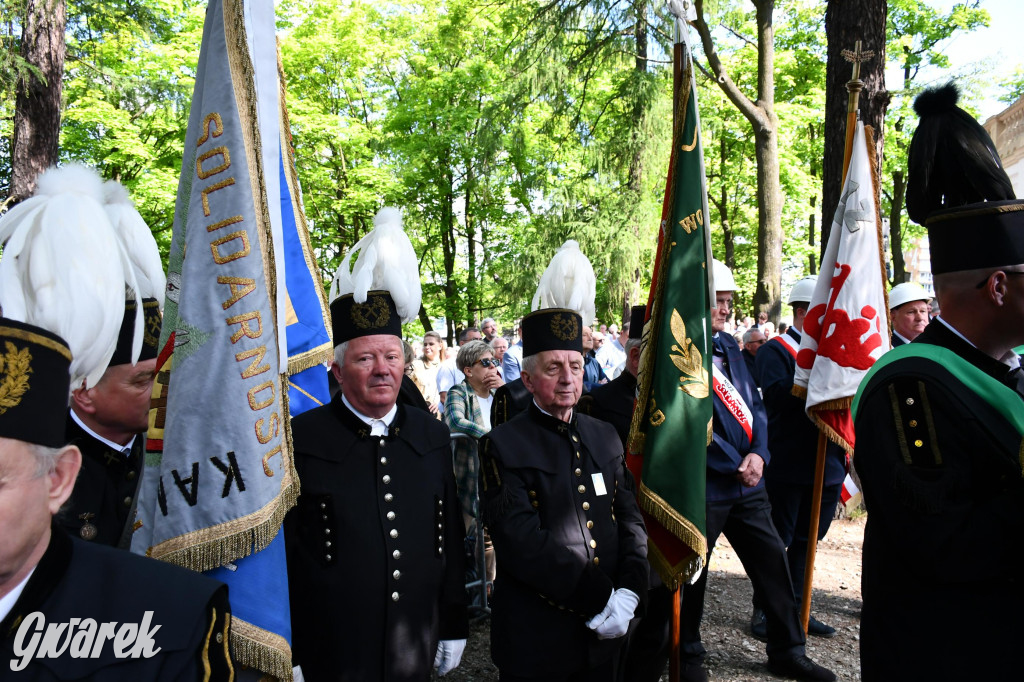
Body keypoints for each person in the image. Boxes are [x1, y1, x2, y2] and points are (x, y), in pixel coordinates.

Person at [0, 165, 232, 680]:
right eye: (142, 381)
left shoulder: (179, 452)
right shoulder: (39, 452)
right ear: (83, 393)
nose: (162, 392)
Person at [853, 83, 1024, 680]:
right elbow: (944, 544)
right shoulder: (910, 389)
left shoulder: (1009, 372)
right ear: (998, 287)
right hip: (948, 656)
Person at [285, 209, 467, 681]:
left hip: (413, 645)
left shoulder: (430, 433)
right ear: (337, 370)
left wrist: (453, 622)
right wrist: (292, 651)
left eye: (391, 356)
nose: (383, 369)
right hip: (333, 651)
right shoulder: (302, 440)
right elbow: (289, 556)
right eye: (365, 358)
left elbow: (448, 536)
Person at [679, 260, 835, 682]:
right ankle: (687, 655)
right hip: (707, 485)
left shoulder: (729, 346)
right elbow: (686, 423)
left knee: (773, 566)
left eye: (729, 301)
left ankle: (788, 650)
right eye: (718, 300)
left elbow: (756, 406)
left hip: (750, 483)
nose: (726, 309)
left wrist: (760, 454)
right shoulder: (678, 350)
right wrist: (735, 462)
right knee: (693, 575)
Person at [480, 307, 649, 681]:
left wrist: (631, 590)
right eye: (553, 368)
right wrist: (602, 597)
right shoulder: (502, 445)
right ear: (527, 379)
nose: (568, 378)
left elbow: (630, 518)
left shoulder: (604, 434)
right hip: (540, 636)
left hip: (608, 631)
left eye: (575, 365)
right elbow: (522, 542)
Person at [752, 276, 844, 640]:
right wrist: (817, 378)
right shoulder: (775, 351)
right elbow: (775, 397)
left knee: (809, 541)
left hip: (827, 463)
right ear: (804, 313)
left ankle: (798, 607)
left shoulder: (833, 354)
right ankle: (765, 608)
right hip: (789, 462)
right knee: (778, 540)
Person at [444, 339, 503, 584]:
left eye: (495, 361)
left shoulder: (500, 394)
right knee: (468, 534)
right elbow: (455, 421)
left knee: (493, 534)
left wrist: (505, 390)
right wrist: (492, 439)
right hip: (469, 477)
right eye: (486, 362)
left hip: (498, 476)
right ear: (468, 370)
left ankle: (489, 585)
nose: (493, 367)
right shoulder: (459, 392)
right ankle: (473, 587)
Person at [437, 327, 482, 405]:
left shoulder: (484, 364)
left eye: (480, 340)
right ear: (462, 344)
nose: (479, 343)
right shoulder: (448, 366)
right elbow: (445, 398)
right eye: (474, 340)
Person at [888, 281, 931, 346]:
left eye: (923, 311)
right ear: (892, 317)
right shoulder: (885, 348)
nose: (920, 318)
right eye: (911, 312)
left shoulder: (934, 346)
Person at [412, 330, 443, 413]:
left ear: (440, 346)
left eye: (431, 344)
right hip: (420, 411)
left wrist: (440, 403)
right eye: (425, 344)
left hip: (442, 414)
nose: (427, 347)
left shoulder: (447, 366)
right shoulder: (415, 365)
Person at [582, 325, 609, 392]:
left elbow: (607, 381)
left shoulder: (594, 362)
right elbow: (579, 384)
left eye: (591, 335)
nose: (590, 338)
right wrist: (598, 385)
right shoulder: (571, 361)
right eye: (585, 335)